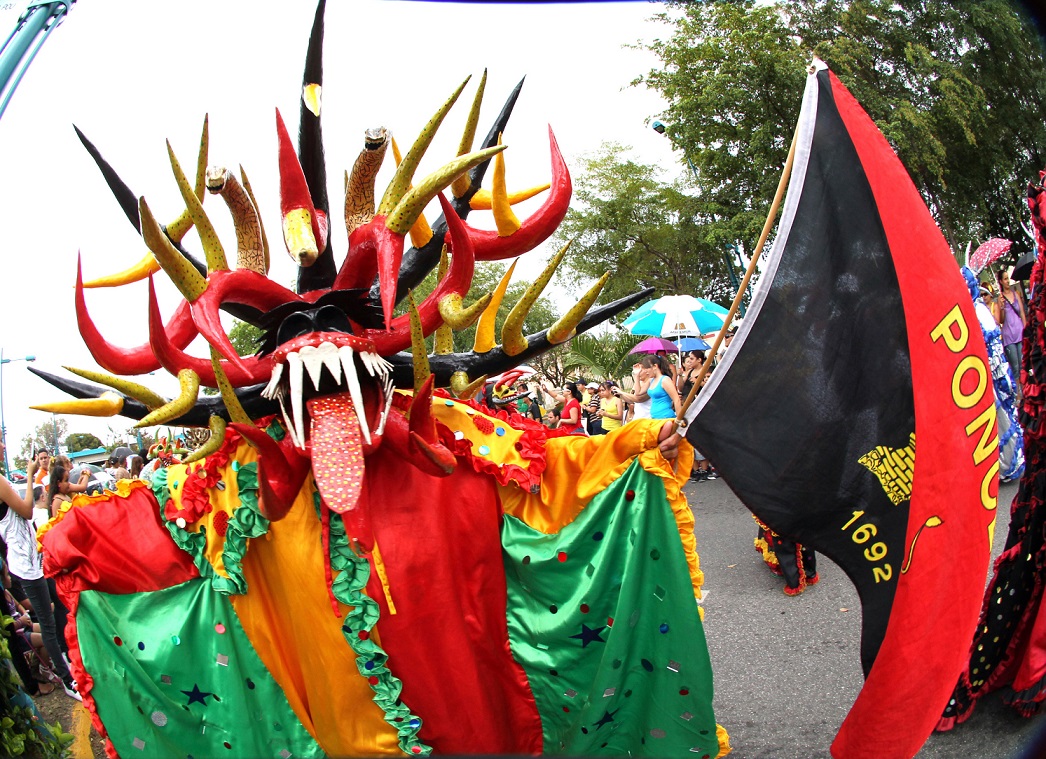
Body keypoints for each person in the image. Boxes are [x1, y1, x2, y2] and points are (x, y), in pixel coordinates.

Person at [0, 451, 80, 700]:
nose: (3, 447)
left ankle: (65, 661)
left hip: (31, 559)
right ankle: (68, 680)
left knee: (55, 611)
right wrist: (31, 475)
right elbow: (27, 510)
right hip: (25, 563)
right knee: (47, 621)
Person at [614, 355, 681, 420]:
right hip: (654, 418)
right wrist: (636, 376)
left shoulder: (665, 380)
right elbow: (638, 393)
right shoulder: (651, 380)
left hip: (665, 417)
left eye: (647, 368)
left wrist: (679, 419)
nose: (646, 371)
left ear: (655, 366)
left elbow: (676, 400)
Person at [993, 266, 1026, 397]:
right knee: (1016, 367)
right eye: (1005, 279)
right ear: (1000, 281)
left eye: (1008, 279)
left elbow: (1022, 313)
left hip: (1020, 332)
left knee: (1023, 364)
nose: (1007, 281)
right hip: (1009, 336)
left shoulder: (1015, 294)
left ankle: (1027, 389)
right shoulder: (1000, 299)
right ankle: (1019, 393)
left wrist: (1026, 329)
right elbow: (1001, 320)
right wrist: (1001, 307)